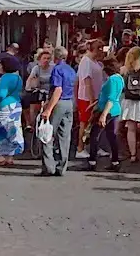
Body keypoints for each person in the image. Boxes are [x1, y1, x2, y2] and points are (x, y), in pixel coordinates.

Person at [38, 47, 77, 177]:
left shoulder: (57, 69)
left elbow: (58, 89)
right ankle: (62, 166)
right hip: (69, 102)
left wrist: (48, 109)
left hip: (58, 102)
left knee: (47, 133)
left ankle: (49, 167)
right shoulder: (71, 70)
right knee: (65, 136)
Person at [82, 56, 122, 171]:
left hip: (107, 110)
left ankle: (92, 161)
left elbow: (111, 98)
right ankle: (115, 161)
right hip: (114, 110)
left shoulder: (112, 80)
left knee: (94, 135)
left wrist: (103, 115)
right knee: (111, 136)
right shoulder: (119, 78)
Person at [0, 55, 24, 167]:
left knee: (1, 130)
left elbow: (1, 95)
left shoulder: (5, 78)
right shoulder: (18, 78)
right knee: (13, 130)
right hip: (16, 105)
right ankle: (10, 157)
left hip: (5, 107)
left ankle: (0, 156)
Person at [75, 41, 106, 161]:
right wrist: (92, 100)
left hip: (97, 96)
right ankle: (80, 148)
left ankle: (94, 146)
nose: (102, 51)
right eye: (100, 49)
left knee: (95, 124)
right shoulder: (86, 61)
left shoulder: (96, 62)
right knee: (85, 123)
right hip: (87, 98)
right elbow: (86, 82)